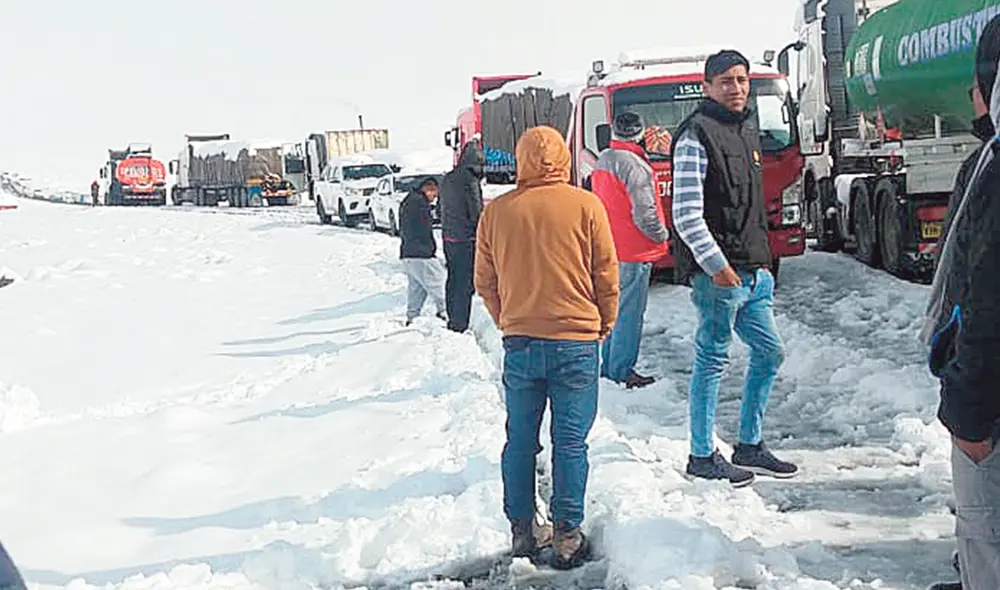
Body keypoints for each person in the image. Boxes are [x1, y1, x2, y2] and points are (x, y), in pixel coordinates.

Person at [474, 125, 619, 570]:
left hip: (520, 342)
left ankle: (522, 531)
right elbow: (606, 273)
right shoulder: (585, 205)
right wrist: (604, 322)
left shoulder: (496, 213)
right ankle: (567, 536)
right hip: (576, 341)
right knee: (570, 442)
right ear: (562, 157)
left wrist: (507, 320)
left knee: (519, 440)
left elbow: (485, 280)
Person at [670, 49, 795, 487]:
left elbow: (750, 207)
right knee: (712, 359)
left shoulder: (746, 130)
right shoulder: (695, 136)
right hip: (721, 275)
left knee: (770, 351)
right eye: (725, 81)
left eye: (741, 80)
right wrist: (717, 268)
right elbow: (686, 213)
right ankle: (702, 454)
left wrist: (763, 266)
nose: (736, 88)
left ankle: (749, 444)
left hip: (753, 272)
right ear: (707, 87)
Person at [923, 14, 1000, 590]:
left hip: (990, 403)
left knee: (985, 527)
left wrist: (968, 405)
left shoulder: (994, 171)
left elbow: (986, 298)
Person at [590, 111, 669, 389]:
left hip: (611, 246)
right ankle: (622, 371)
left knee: (615, 310)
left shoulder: (605, 160)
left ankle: (610, 366)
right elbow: (645, 214)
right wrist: (663, 234)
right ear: (641, 133)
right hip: (635, 249)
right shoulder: (635, 166)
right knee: (630, 313)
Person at [439, 141, 485, 333]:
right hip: (466, 239)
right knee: (465, 282)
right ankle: (460, 323)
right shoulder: (469, 181)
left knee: (452, 278)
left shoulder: (447, 179)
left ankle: (452, 317)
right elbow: (475, 210)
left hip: (448, 236)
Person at [398, 176, 447, 326]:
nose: (435, 198)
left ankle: (412, 318)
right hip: (421, 254)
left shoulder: (410, 200)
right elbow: (424, 229)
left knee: (417, 288)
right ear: (428, 189)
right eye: (434, 194)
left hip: (408, 253)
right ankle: (446, 313)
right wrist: (429, 248)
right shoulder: (419, 204)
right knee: (439, 284)